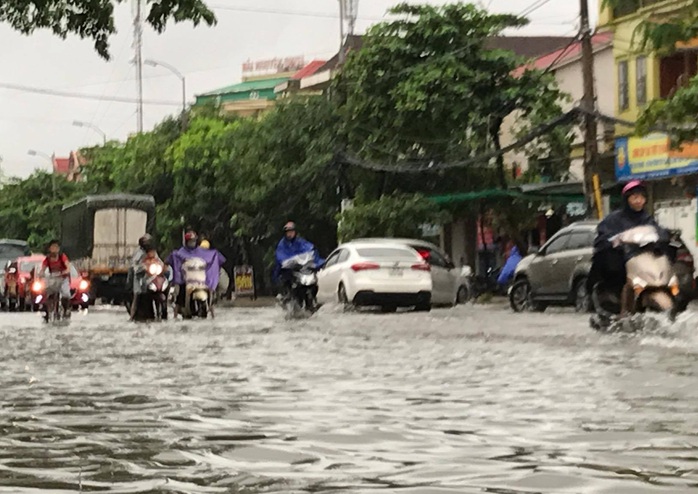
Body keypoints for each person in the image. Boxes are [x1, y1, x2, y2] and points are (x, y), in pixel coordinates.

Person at [587, 180, 668, 317]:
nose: (639, 201)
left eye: (642, 197)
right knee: (626, 279)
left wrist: (664, 237)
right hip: (622, 263)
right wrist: (615, 241)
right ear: (627, 199)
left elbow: (658, 232)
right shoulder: (614, 219)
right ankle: (624, 313)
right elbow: (602, 239)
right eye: (635, 197)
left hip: (644, 261)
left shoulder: (647, 218)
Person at [166, 229, 226, 318]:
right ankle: (175, 315)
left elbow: (215, 257)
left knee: (210, 292)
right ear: (186, 242)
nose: (192, 243)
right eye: (190, 241)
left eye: (193, 241)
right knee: (180, 294)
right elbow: (172, 259)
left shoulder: (203, 252)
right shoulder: (180, 252)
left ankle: (212, 310)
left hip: (201, 279)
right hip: (186, 279)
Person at [273, 222, 324, 296]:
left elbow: (309, 248)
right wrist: (287, 262)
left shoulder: (300, 241)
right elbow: (280, 256)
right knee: (287, 278)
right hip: (288, 269)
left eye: (292, 232)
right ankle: (287, 294)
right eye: (288, 232)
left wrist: (312, 255)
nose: (290, 234)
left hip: (301, 268)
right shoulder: (282, 244)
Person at [127, 234, 158, 320]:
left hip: (151, 277)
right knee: (137, 296)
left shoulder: (152, 252)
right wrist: (144, 267)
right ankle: (132, 316)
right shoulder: (139, 253)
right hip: (139, 278)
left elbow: (158, 260)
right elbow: (135, 266)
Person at [40, 239, 72, 319]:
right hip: (53, 278)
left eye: (56, 247)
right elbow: (42, 270)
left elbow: (68, 267)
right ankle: (47, 311)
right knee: (48, 293)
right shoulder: (47, 259)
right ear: (49, 249)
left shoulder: (62, 257)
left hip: (63, 278)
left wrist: (65, 272)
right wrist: (41, 274)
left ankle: (66, 309)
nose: (55, 249)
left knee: (66, 294)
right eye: (53, 247)